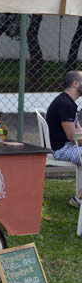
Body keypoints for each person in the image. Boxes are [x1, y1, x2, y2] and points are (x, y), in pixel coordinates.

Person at [46, 70, 82, 207]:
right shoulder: (65, 104)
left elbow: (77, 131)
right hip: (63, 149)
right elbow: (73, 138)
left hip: (68, 145)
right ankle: (79, 199)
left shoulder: (68, 102)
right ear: (75, 83)